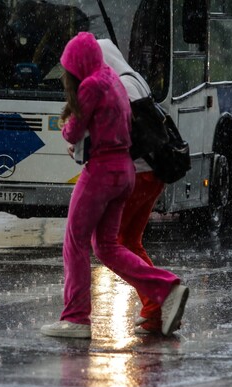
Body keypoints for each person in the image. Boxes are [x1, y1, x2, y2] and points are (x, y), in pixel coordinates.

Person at [41, 32, 189, 339]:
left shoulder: (93, 84)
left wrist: (68, 125)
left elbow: (73, 133)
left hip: (103, 171)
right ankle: (164, 289)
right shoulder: (116, 79)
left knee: (75, 241)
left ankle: (76, 317)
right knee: (108, 246)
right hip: (126, 171)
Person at [97, 39, 167, 335]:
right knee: (130, 241)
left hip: (138, 173)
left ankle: (164, 290)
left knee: (106, 244)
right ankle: (154, 309)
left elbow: (121, 134)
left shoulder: (119, 87)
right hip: (155, 173)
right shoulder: (134, 78)